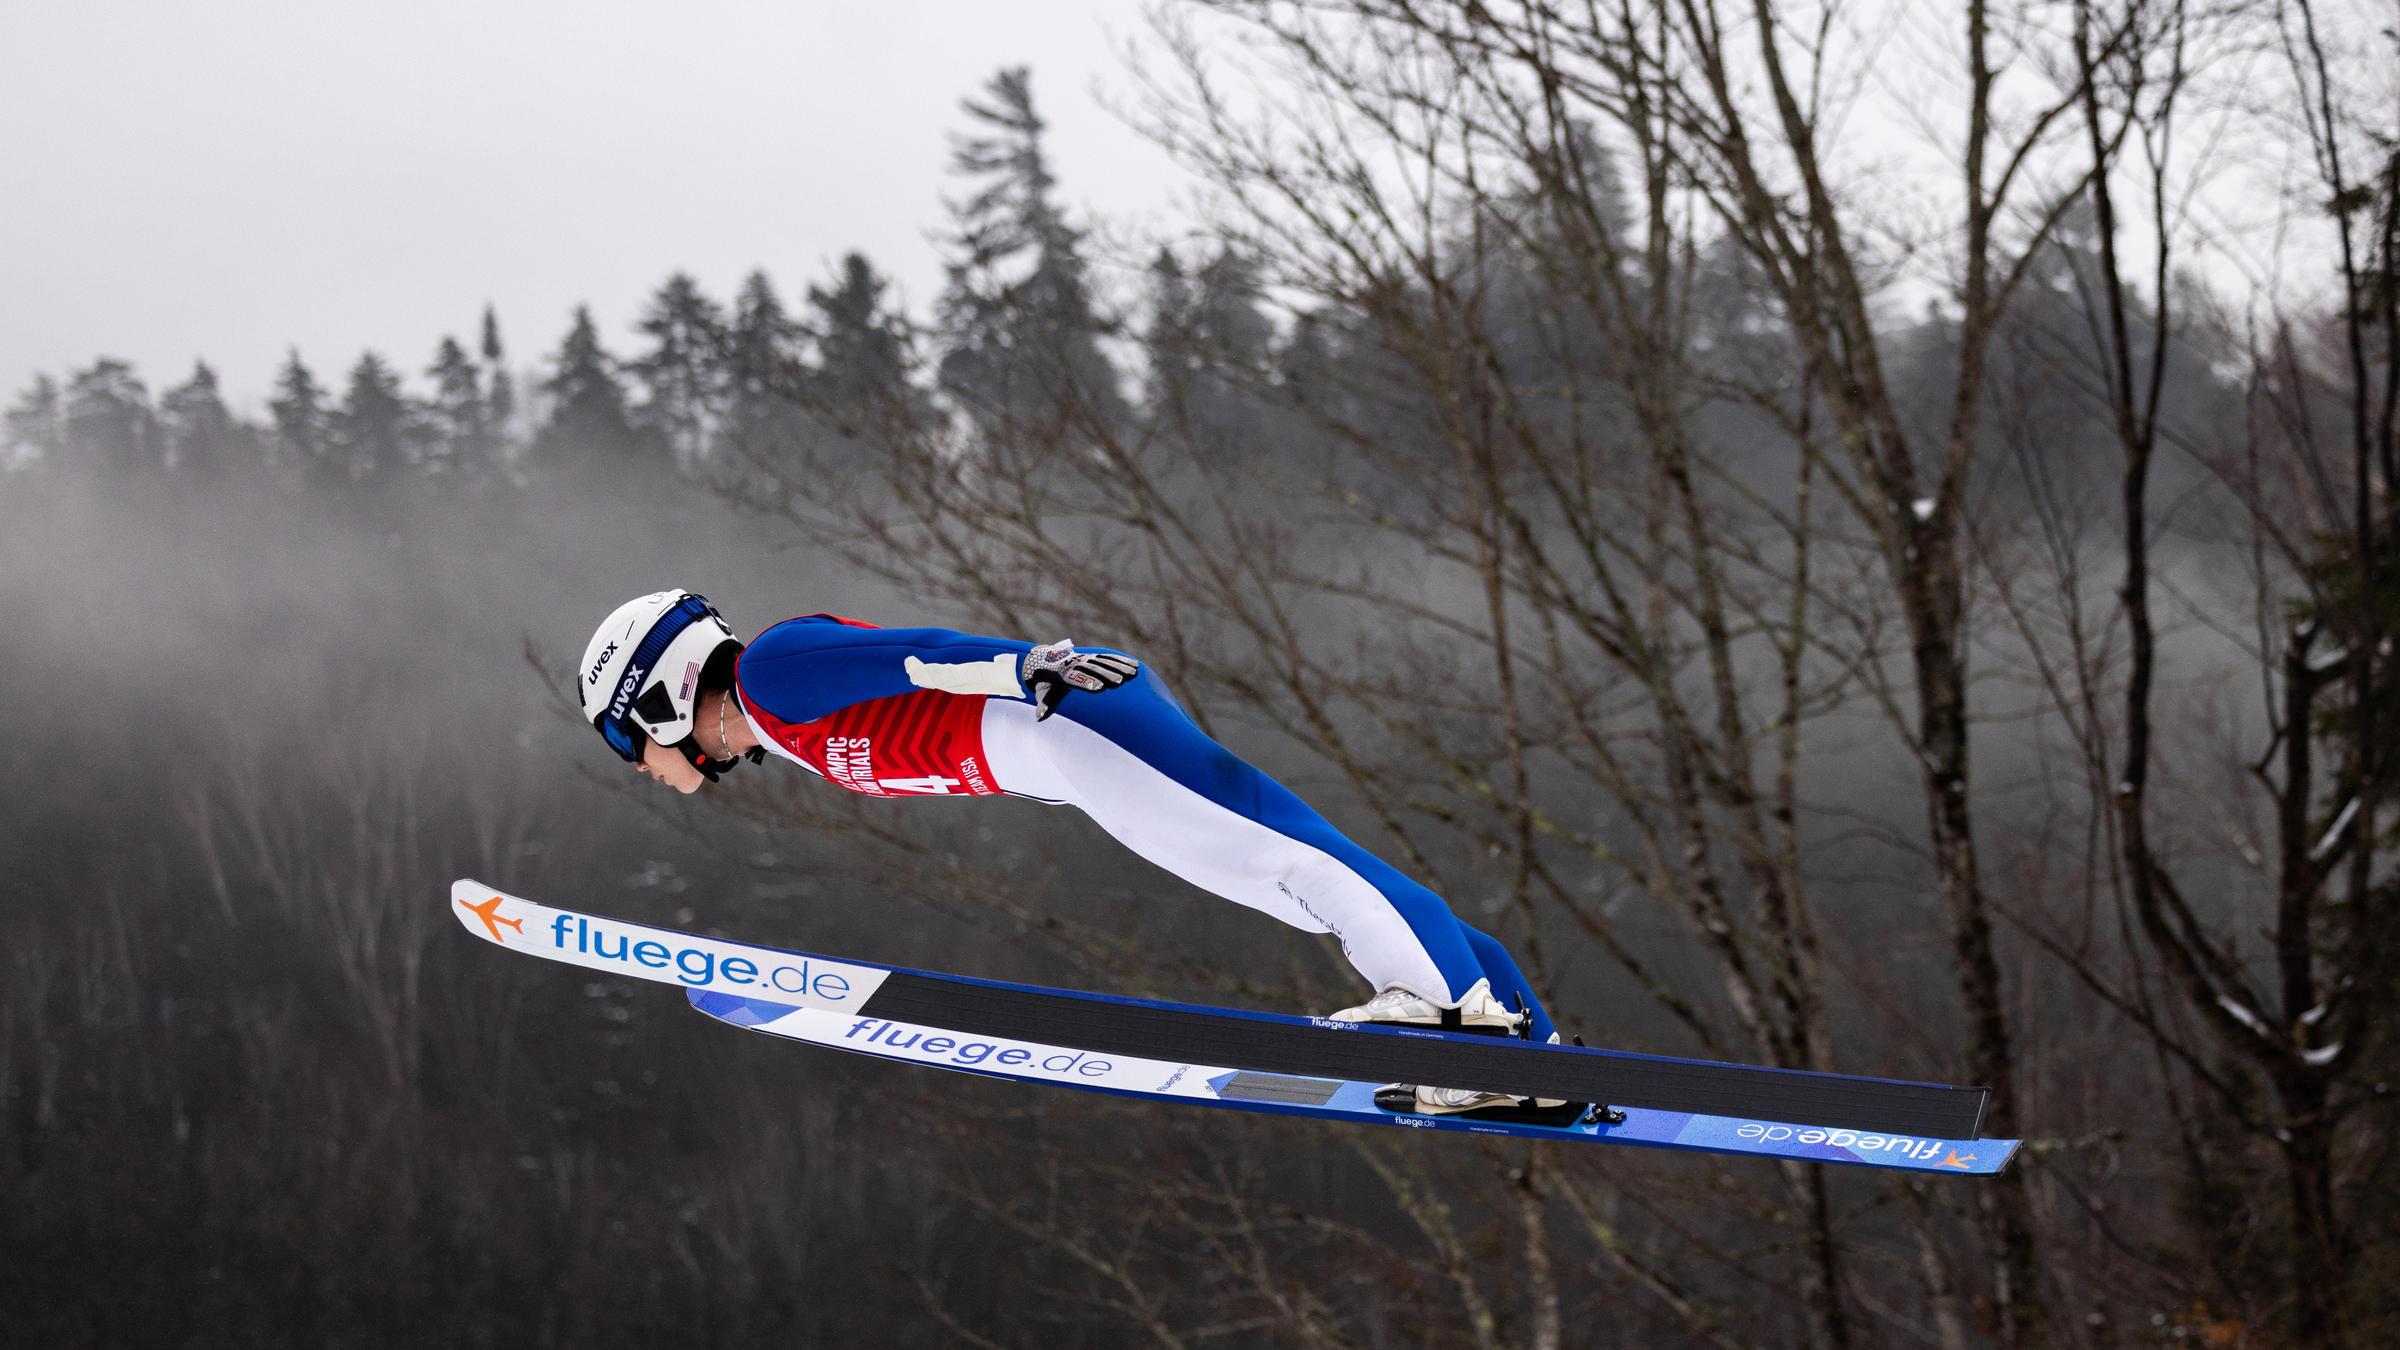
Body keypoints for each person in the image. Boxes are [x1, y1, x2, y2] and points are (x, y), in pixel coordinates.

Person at [578, 588, 1577, 1123]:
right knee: (1292, 862)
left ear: (659, 696)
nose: (647, 768)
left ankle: (1461, 1033)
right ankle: (1514, 1036)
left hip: (1073, 723)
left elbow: (908, 653)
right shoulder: (779, 722)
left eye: (633, 745)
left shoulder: (770, 673)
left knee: (1281, 861)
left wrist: (1024, 663)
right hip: (1074, 752)